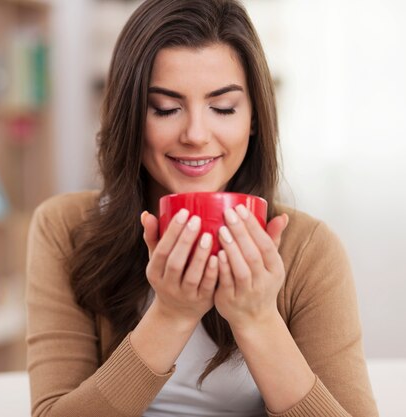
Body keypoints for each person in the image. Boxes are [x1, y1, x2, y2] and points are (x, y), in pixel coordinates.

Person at [25, 0, 378, 416]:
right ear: (131, 117)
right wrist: (171, 315)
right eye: (166, 109)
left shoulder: (309, 250)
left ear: (253, 119)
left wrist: (257, 319)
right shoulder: (65, 228)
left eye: (223, 108)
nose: (195, 134)